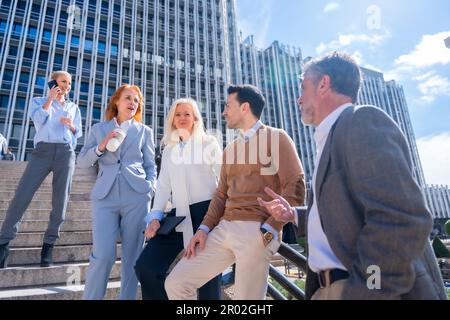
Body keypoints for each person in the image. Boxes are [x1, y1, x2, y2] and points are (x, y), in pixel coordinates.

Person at [258, 52, 447, 300]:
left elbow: (401, 220)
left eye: (303, 87)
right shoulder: (329, 139)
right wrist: (294, 214)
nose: (298, 98)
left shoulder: (361, 121)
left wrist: (366, 291)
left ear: (324, 84)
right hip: (325, 288)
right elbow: (345, 213)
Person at [164, 85, 306, 300]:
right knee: (176, 283)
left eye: (228, 106)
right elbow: (221, 194)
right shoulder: (230, 149)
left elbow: (295, 185)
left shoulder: (276, 137)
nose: (224, 112)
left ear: (245, 107)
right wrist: (203, 229)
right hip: (222, 229)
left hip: (256, 230)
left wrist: (270, 230)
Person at [134, 98, 223, 300]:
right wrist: (155, 216)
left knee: (208, 280)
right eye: (178, 114)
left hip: (207, 215)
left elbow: (224, 178)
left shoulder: (209, 143)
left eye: (187, 114)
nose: (182, 118)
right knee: (146, 267)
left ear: (195, 119)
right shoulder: (169, 150)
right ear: (172, 119)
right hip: (178, 215)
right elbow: (163, 186)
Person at [77, 84, 157, 300]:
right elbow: (83, 162)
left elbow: (151, 165)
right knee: (102, 255)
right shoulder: (98, 129)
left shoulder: (144, 131)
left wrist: (150, 187)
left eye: (136, 100)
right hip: (105, 196)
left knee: (133, 258)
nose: (133, 103)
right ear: (116, 101)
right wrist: (101, 146)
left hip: (137, 196)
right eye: (128, 98)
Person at [0, 71, 82, 268]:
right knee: (22, 195)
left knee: (60, 202)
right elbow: (38, 121)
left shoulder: (73, 107)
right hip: (42, 151)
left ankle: (48, 246)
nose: (67, 86)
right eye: (64, 81)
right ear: (53, 82)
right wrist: (50, 100)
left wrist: (71, 126)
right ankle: (3, 242)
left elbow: (78, 133)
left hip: (65, 153)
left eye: (69, 83)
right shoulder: (38, 101)